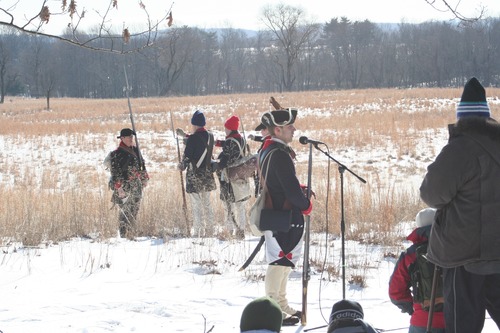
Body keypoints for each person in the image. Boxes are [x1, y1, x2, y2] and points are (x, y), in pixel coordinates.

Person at [420, 77, 500, 333]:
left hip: (463, 256)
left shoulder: (459, 149)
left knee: (463, 325)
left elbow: (432, 194)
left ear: (462, 117)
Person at [258, 108, 312, 326]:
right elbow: (289, 190)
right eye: (290, 127)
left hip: (280, 213)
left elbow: (281, 183)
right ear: (278, 130)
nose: (294, 129)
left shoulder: (270, 149)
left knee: (284, 262)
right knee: (278, 262)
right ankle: (273, 307)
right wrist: (306, 204)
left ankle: (281, 303)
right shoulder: (279, 154)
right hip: (283, 215)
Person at [388, 208, 445, 333]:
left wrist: (413, 308)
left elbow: (396, 292)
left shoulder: (410, 255)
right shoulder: (457, 248)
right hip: (457, 320)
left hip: (422, 322)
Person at [178, 110, 217, 237]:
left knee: (196, 205)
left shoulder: (193, 138)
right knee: (207, 204)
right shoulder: (210, 136)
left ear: (194, 124)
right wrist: (185, 136)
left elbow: (187, 156)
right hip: (207, 174)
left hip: (194, 176)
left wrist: (182, 165)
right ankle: (210, 230)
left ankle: (198, 231)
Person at [213, 115, 251, 238]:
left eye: (226, 128)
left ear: (230, 128)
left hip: (229, 179)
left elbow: (226, 160)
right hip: (241, 177)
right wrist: (219, 143)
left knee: (228, 206)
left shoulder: (230, 141)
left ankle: (229, 231)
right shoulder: (241, 139)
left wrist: (216, 164)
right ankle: (241, 230)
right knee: (240, 206)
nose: (225, 130)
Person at [109, 128, 149, 238]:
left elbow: (142, 165)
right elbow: (115, 173)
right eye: (129, 137)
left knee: (134, 210)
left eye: (132, 137)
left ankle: (131, 232)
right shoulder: (116, 154)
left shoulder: (136, 150)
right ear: (122, 138)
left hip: (137, 186)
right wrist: (119, 188)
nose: (131, 139)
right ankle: (123, 235)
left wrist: (144, 177)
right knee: (125, 212)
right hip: (124, 187)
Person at [250, 123, 271, 197]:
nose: (261, 132)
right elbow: (262, 139)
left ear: (267, 130)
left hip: (265, 175)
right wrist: (255, 137)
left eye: (262, 130)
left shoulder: (269, 140)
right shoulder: (267, 139)